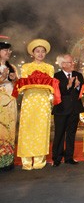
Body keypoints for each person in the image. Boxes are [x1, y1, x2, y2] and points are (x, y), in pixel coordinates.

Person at [16, 39, 57, 170]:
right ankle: (26, 160)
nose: (40, 54)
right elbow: (22, 85)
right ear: (32, 53)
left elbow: (52, 85)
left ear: (45, 53)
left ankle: (39, 160)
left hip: (43, 101)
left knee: (41, 128)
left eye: (42, 51)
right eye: (37, 51)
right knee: (27, 128)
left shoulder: (49, 68)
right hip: (29, 100)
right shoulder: (26, 67)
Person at [52, 54, 84, 166]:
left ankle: (69, 157)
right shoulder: (56, 76)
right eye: (70, 62)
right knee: (59, 134)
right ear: (63, 64)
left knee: (71, 134)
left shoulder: (78, 75)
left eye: (72, 62)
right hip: (61, 109)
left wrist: (78, 86)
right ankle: (57, 158)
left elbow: (81, 91)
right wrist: (69, 85)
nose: (72, 64)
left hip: (74, 109)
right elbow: (57, 92)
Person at [0, 40, 18, 171]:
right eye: (6, 50)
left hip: (11, 102)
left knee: (10, 130)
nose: (8, 53)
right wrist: (2, 78)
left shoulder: (12, 67)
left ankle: (8, 161)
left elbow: (18, 86)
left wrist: (13, 79)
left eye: (9, 50)